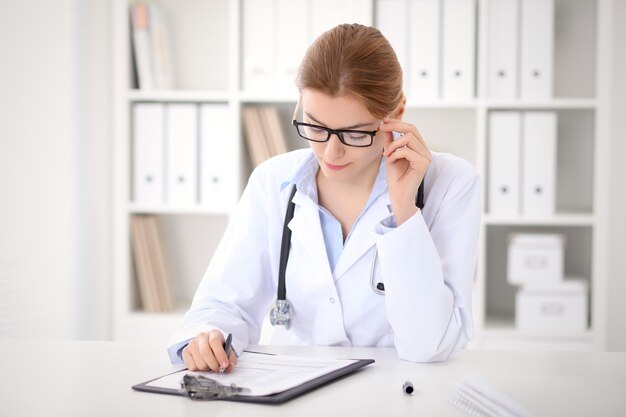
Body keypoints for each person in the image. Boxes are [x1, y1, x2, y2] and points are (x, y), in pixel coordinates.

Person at [167, 23, 481, 372]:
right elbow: (223, 304)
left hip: (393, 399)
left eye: (353, 133)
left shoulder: (451, 183)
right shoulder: (273, 182)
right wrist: (207, 337)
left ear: (397, 115)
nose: (331, 151)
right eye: (314, 126)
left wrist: (405, 211)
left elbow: (430, 345)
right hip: (289, 395)